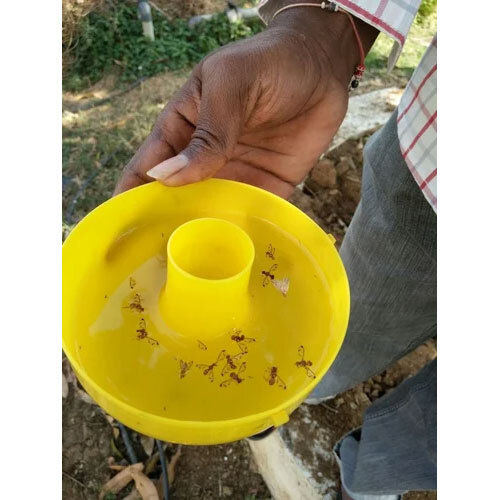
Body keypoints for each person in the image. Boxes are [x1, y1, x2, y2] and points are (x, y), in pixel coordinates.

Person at [114, 1, 436, 498]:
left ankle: (374, 476)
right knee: (350, 344)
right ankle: (362, 469)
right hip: (432, 163)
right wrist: (325, 37)